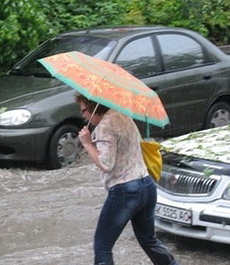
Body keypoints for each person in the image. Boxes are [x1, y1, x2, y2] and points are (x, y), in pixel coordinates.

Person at [76, 94, 179, 265]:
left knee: (102, 246)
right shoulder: (123, 115)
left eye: (84, 111)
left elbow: (105, 164)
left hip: (125, 191)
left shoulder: (106, 125)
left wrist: (87, 143)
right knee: (149, 241)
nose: (83, 116)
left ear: (94, 107)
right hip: (146, 185)